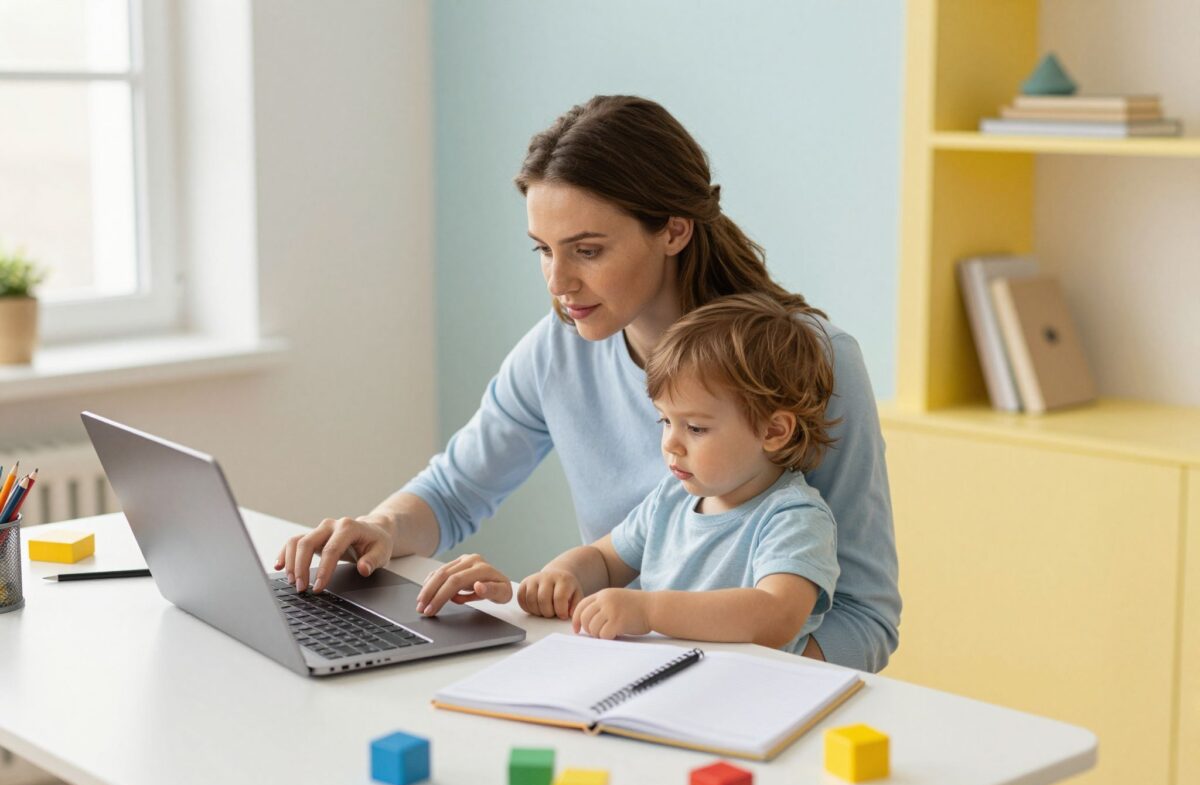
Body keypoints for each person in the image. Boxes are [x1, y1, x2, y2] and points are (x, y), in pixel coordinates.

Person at [276, 94, 901, 671]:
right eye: (542, 250)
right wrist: (381, 527)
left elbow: (865, 618)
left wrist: (724, 688)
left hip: (737, 696)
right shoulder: (558, 348)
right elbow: (453, 492)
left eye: (588, 251)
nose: (558, 283)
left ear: (674, 230)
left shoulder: (814, 363)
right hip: (612, 673)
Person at [439, 293, 841, 651]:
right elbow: (604, 558)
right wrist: (560, 574)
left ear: (773, 431)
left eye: (696, 428)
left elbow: (775, 615)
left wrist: (649, 610)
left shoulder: (793, 516)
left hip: (746, 704)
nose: (670, 443)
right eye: (665, 422)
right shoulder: (671, 500)